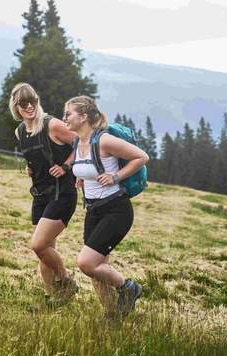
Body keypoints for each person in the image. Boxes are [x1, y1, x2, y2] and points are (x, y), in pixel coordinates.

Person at [63, 95, 149, 318]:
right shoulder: (76, 141)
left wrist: (116, 177)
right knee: (98, 270)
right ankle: (112, 317)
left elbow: (141, 157)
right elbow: (87, 168)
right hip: (93, 211)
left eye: (68, 113)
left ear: (83, 117)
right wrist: (82, 179)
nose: (65, 118)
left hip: (116, 209)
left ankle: (129, 288)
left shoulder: (103, 140)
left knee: (86, 263)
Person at [10, 83, 78, 305]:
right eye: (23, 103)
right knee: (45, 250)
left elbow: (82, 143)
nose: (29, 106)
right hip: (40, 195)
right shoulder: (20, 132)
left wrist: (66, 166)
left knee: (38, 245)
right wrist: (31, 167)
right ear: (16, 107)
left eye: (33, 101)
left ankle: (67, 281)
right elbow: (34, 156)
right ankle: (52, 298)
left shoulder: (53, 125)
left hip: (62, 193)